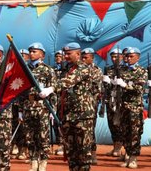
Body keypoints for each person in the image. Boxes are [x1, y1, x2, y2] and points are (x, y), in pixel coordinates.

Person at [39, 42, 95, 171]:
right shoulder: (67, 69)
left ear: (78, 54)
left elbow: (68, 82)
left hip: (83, 116)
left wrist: (51, 88)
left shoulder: (84, 68)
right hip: (68, 115)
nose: (66, 57)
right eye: (65, 54)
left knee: (83, 152)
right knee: (71, 152)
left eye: (69, 54)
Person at [19, 43, 57, 171]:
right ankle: (33, 162)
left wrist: (53, 110)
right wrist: (20, 110)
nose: (31, 54)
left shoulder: (48, 70)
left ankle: (43, 163)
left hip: (43, 108)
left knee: (42, 136)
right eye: (30, 51)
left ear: (42, 54)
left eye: (34, 51)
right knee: (29, 136)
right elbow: (21, 92)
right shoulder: (25, 69)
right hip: (28, 107)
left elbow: (53, 91)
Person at [116, 47, 147, 169]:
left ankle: (134, 158)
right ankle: (128, 154)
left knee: (135, 132)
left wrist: (124, 85)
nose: (128, 58)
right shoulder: (122, 70)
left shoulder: (141, 71)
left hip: (135, 107)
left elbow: (138, 88)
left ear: (138, 57)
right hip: (123, 106)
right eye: (127, 56)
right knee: (125, 131)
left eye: (131, 56)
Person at [81, 47, 103, 165]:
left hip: (90, 106)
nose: (84, 59)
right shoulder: (76, 69)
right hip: (77, 106)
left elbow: (96, 89)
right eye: (82, 57)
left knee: (90, 130)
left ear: (92, 58)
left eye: (86, 57)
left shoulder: (96, 70)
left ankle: (92, 153)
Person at [102, 48, 124, 157]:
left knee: (119, 123)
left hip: (121, 100)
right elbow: (105, 87)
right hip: (110, 100)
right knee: (111, 123)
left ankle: (120, 147)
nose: (114, 58)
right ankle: (115, 146)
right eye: (112, 56)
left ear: (122, 57)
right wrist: (105, 81)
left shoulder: (124, 69)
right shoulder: (109, 69)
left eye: (116, 56)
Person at [10, 49, 30, 161]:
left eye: (23, 55)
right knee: (13, 125)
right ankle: (15, 146)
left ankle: (23, 149)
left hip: (24, 103)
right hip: (13, 102)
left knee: (23, 128)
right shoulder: (14, 69)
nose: (21, 57)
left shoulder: (28, 70)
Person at [53, 50, 64, 156]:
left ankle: (65, 144)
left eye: (60, 56)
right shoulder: (53, 69)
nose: (58, 58)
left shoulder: (67, 69)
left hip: (64, 100)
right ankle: (59, 143)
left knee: (63, 122)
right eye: (56, 56)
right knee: (56, 123)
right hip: (55, 99)